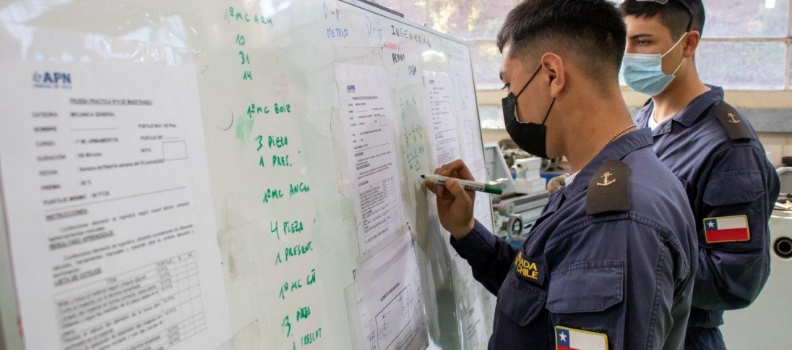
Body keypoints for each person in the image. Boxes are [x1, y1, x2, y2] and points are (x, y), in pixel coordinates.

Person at [426, 0, 698, 349]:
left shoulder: (614, 222)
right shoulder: (614, 177)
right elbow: (540, 292)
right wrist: (466, 232)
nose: (511, 102)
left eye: (509, 87)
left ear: (553, 75)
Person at [619, 1, 782, 348]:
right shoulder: (640, 122)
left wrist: (632, 262)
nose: (628, 54)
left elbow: (733, 278)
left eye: (644, 42)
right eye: (624, 41)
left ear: (689, 44)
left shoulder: (728, 148)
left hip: (685, 337)